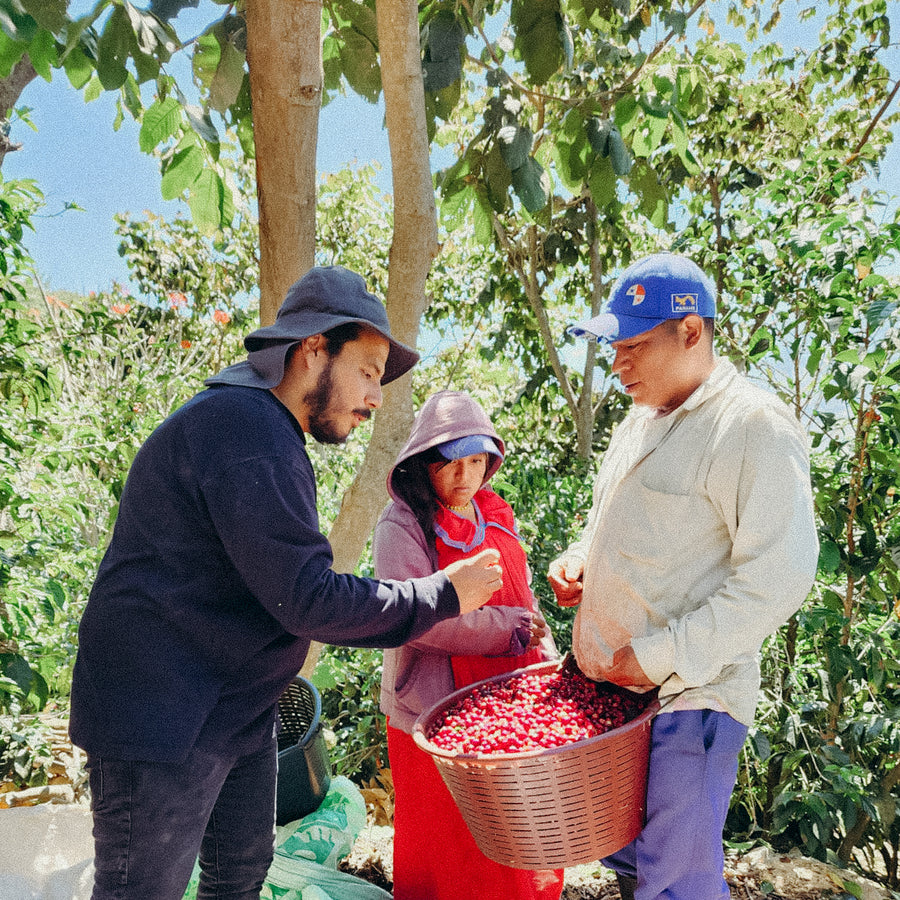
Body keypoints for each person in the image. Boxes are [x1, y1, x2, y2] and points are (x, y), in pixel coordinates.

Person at [68, 266, 504, 900]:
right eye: (368, 371)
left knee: (239, 877)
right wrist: (442, 593)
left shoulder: (266, 430)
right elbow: (307, 597)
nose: (376, 397)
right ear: (312, 349)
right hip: (164, 717)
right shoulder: (242, 425)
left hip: (234, 710)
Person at [549, 253, 819, 900]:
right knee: (630, 865)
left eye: (634, 345)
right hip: (617, 694)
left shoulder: (751, 426)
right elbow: (616, 524)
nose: (618, 363)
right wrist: (583, 556)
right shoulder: (639, 423)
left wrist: (660, 657)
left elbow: (779, 577)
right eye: (615, 346)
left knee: (676, 884)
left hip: (689, 700)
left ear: (691, 332)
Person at [373, 389, 564, 900]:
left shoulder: (496, 513)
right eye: (450, 465)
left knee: (513, 832)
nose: (465, 478)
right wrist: (509, 627)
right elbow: (415, 618)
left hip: (505, 705)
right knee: (449, 840)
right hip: (431, 711)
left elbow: (520, 595)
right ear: (422, 465)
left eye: (476, 462)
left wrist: (540, 644)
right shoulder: (402, 524)